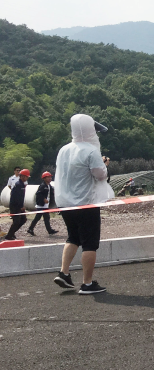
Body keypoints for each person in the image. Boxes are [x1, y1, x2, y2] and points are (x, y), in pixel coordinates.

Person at [53, 115, 115, 294]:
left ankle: (64, 273)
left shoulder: (64, 149)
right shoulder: (91, 151)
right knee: (90, 243)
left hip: (65, 203)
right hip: (86, 203)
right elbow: (100, 175)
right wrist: (104, 164)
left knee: (73, 237)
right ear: (90, 130)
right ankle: (87, 284)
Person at [28, 171, 59, 236]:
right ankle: (30, 229)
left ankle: (49, 230)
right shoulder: (42, 186)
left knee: (46, 218)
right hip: (41, 205)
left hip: (46, 205)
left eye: (50, 177)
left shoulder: (49, 186)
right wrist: (43, 199)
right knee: (38, 217)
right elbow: (38, 194)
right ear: (44, 178)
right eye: (48, 177)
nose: (50, 178)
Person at [3, 168, 30, 240]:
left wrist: (22, 205)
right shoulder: (18, 185)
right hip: (15, 206)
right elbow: (15, 197)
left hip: (19, 206)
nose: (27, 178)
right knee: (16, 221)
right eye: (26, 176)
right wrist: (20, 206)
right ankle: (9, 236)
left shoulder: (22, 184)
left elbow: (21, 197)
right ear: (22, 176)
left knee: (23, 219)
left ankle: (11, 233)